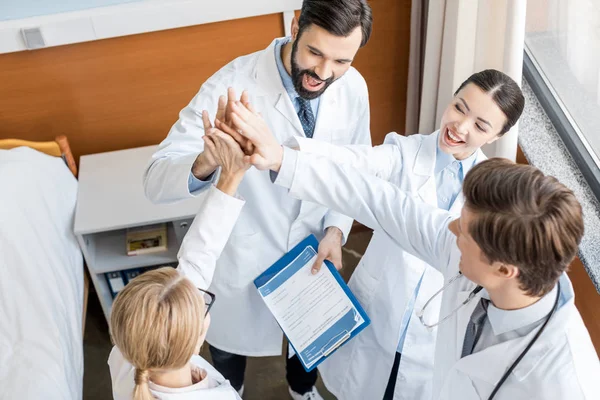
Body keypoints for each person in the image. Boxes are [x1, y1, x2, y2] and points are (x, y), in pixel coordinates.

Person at [208, 106, 600, 399]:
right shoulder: (478, 261)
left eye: (463, 230)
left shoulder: (567, 382)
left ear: (504, 269)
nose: (449, 229)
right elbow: (380, 201)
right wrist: (281, 158)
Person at [142, 1, 373, 397]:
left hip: (313, 252)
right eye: (315, 52)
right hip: (241, 259)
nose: (323, 73)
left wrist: (335, 229)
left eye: (341, 61)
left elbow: (355, 167)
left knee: (307, 344)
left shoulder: (352, 87)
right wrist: (207, 159)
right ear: (296, 24)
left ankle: (302, 391)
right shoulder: (231, 85)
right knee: (228, 353)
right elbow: (154, 179)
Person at [108, 131, 248, 400]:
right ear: (196, 341)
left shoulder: (128, 354)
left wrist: (231, 176)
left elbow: (197, 259)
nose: (199, 292)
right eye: (200, 302)